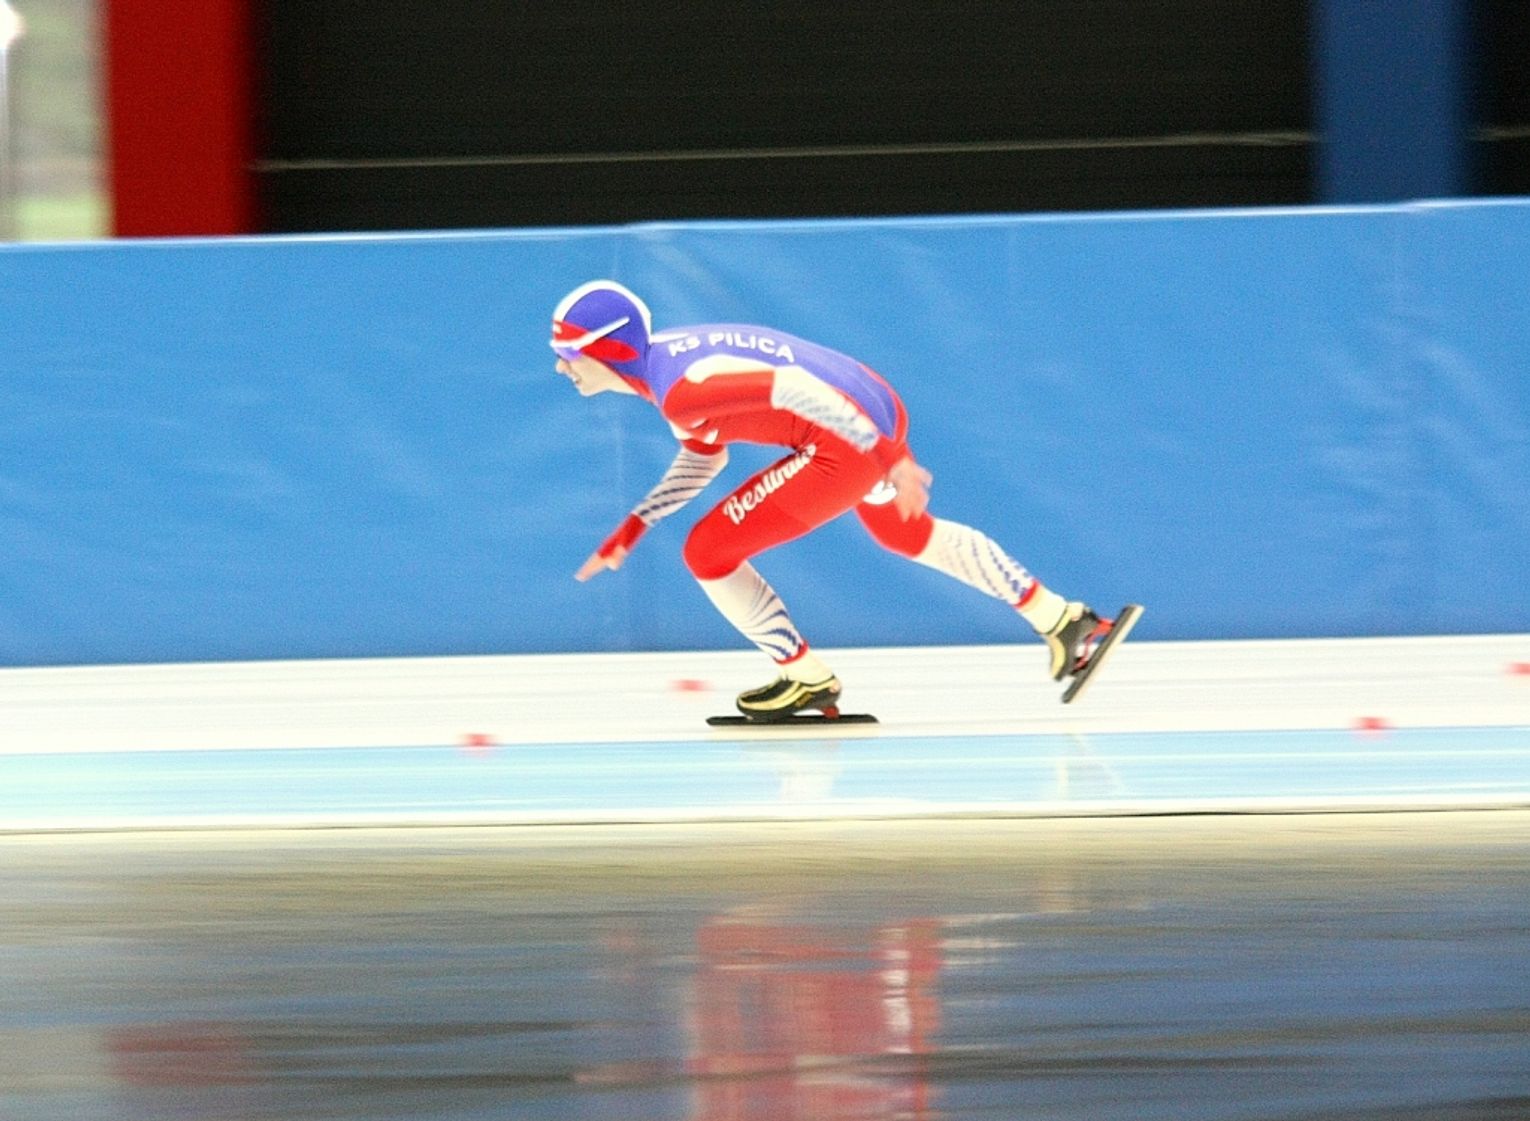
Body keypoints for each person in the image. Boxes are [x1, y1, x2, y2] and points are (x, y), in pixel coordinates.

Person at [550, 279, 1136, 721]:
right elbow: (706, 457)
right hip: (875, 399)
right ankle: (1064, 620)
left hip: (847, 438)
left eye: (570, 353)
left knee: (707, 552)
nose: (560, 366)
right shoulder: (667, 366)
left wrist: (886, 456)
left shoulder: (681, 392)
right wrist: (635, 527)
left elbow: (793, 387)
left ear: (610, 352)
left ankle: (805, 676)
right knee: (906, 533)